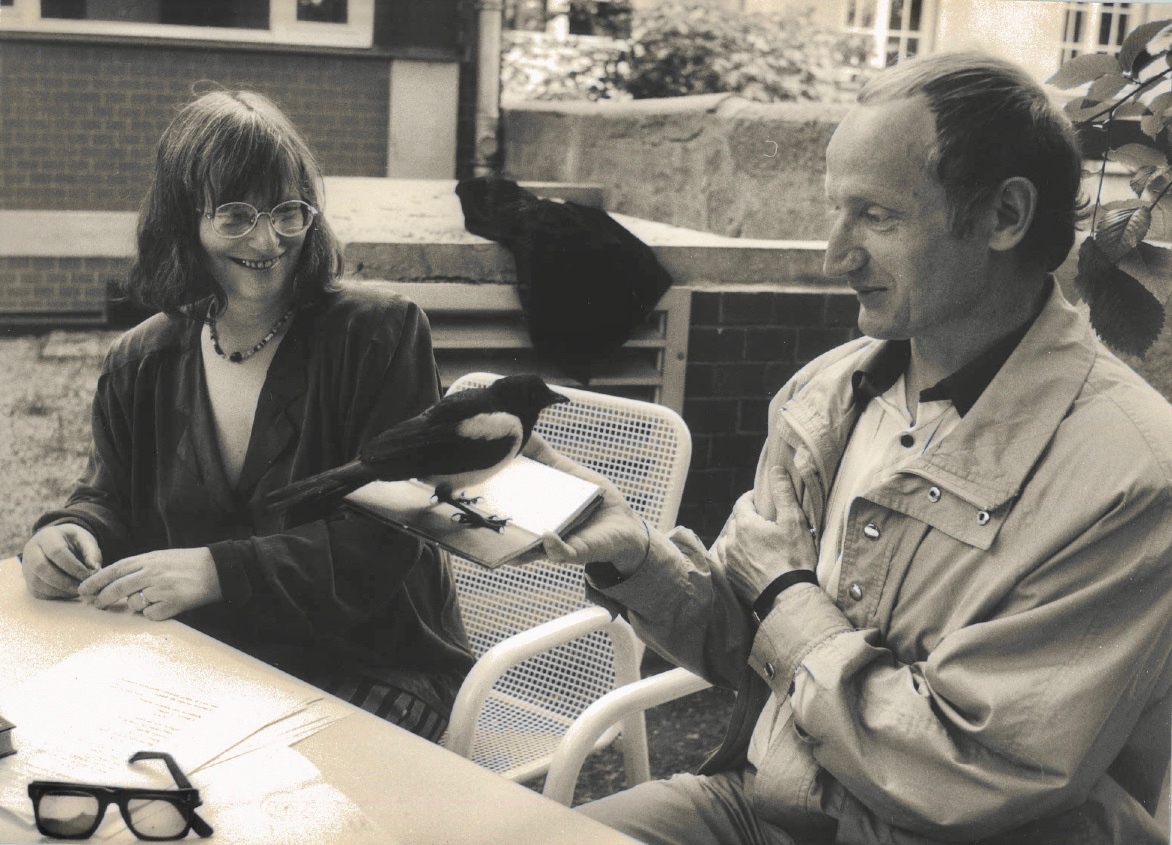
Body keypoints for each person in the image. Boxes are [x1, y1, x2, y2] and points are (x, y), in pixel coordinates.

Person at [528, 52, 1172, 844]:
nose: (833, 256)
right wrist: (637, 562)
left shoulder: (1133, 472)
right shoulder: (826, 396)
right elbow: (754, 650)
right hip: (766, 803)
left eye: (876, 216)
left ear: (1004, 216)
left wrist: (790, 599)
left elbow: (967, 770)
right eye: (835, 210)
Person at [20, 90, 474, 742]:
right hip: (217, 660)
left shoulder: (380, 333)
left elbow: (391, 536)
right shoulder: (139, 359)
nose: (268, 241)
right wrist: (64, 534)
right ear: (183, 221)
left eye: (288, 212)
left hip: (380, 663)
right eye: (235, 216)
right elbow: (108, 497)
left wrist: (215, 570)